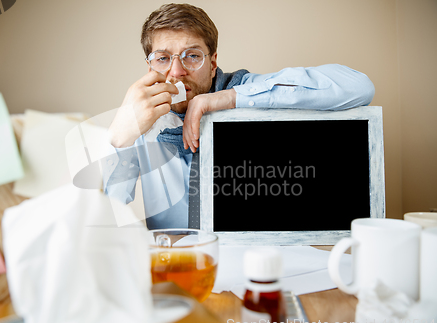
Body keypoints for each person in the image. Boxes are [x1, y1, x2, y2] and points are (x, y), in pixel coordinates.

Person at [103, 3, 375, 230]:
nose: (176, 72)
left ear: (212, 65)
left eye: (192, 56)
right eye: (162, 58)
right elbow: (101, 214)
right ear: (149, 66)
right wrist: (118, 140)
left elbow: (360, 87)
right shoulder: (140, 118)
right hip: (179, 267)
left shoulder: (249, 91)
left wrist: (229, 99)